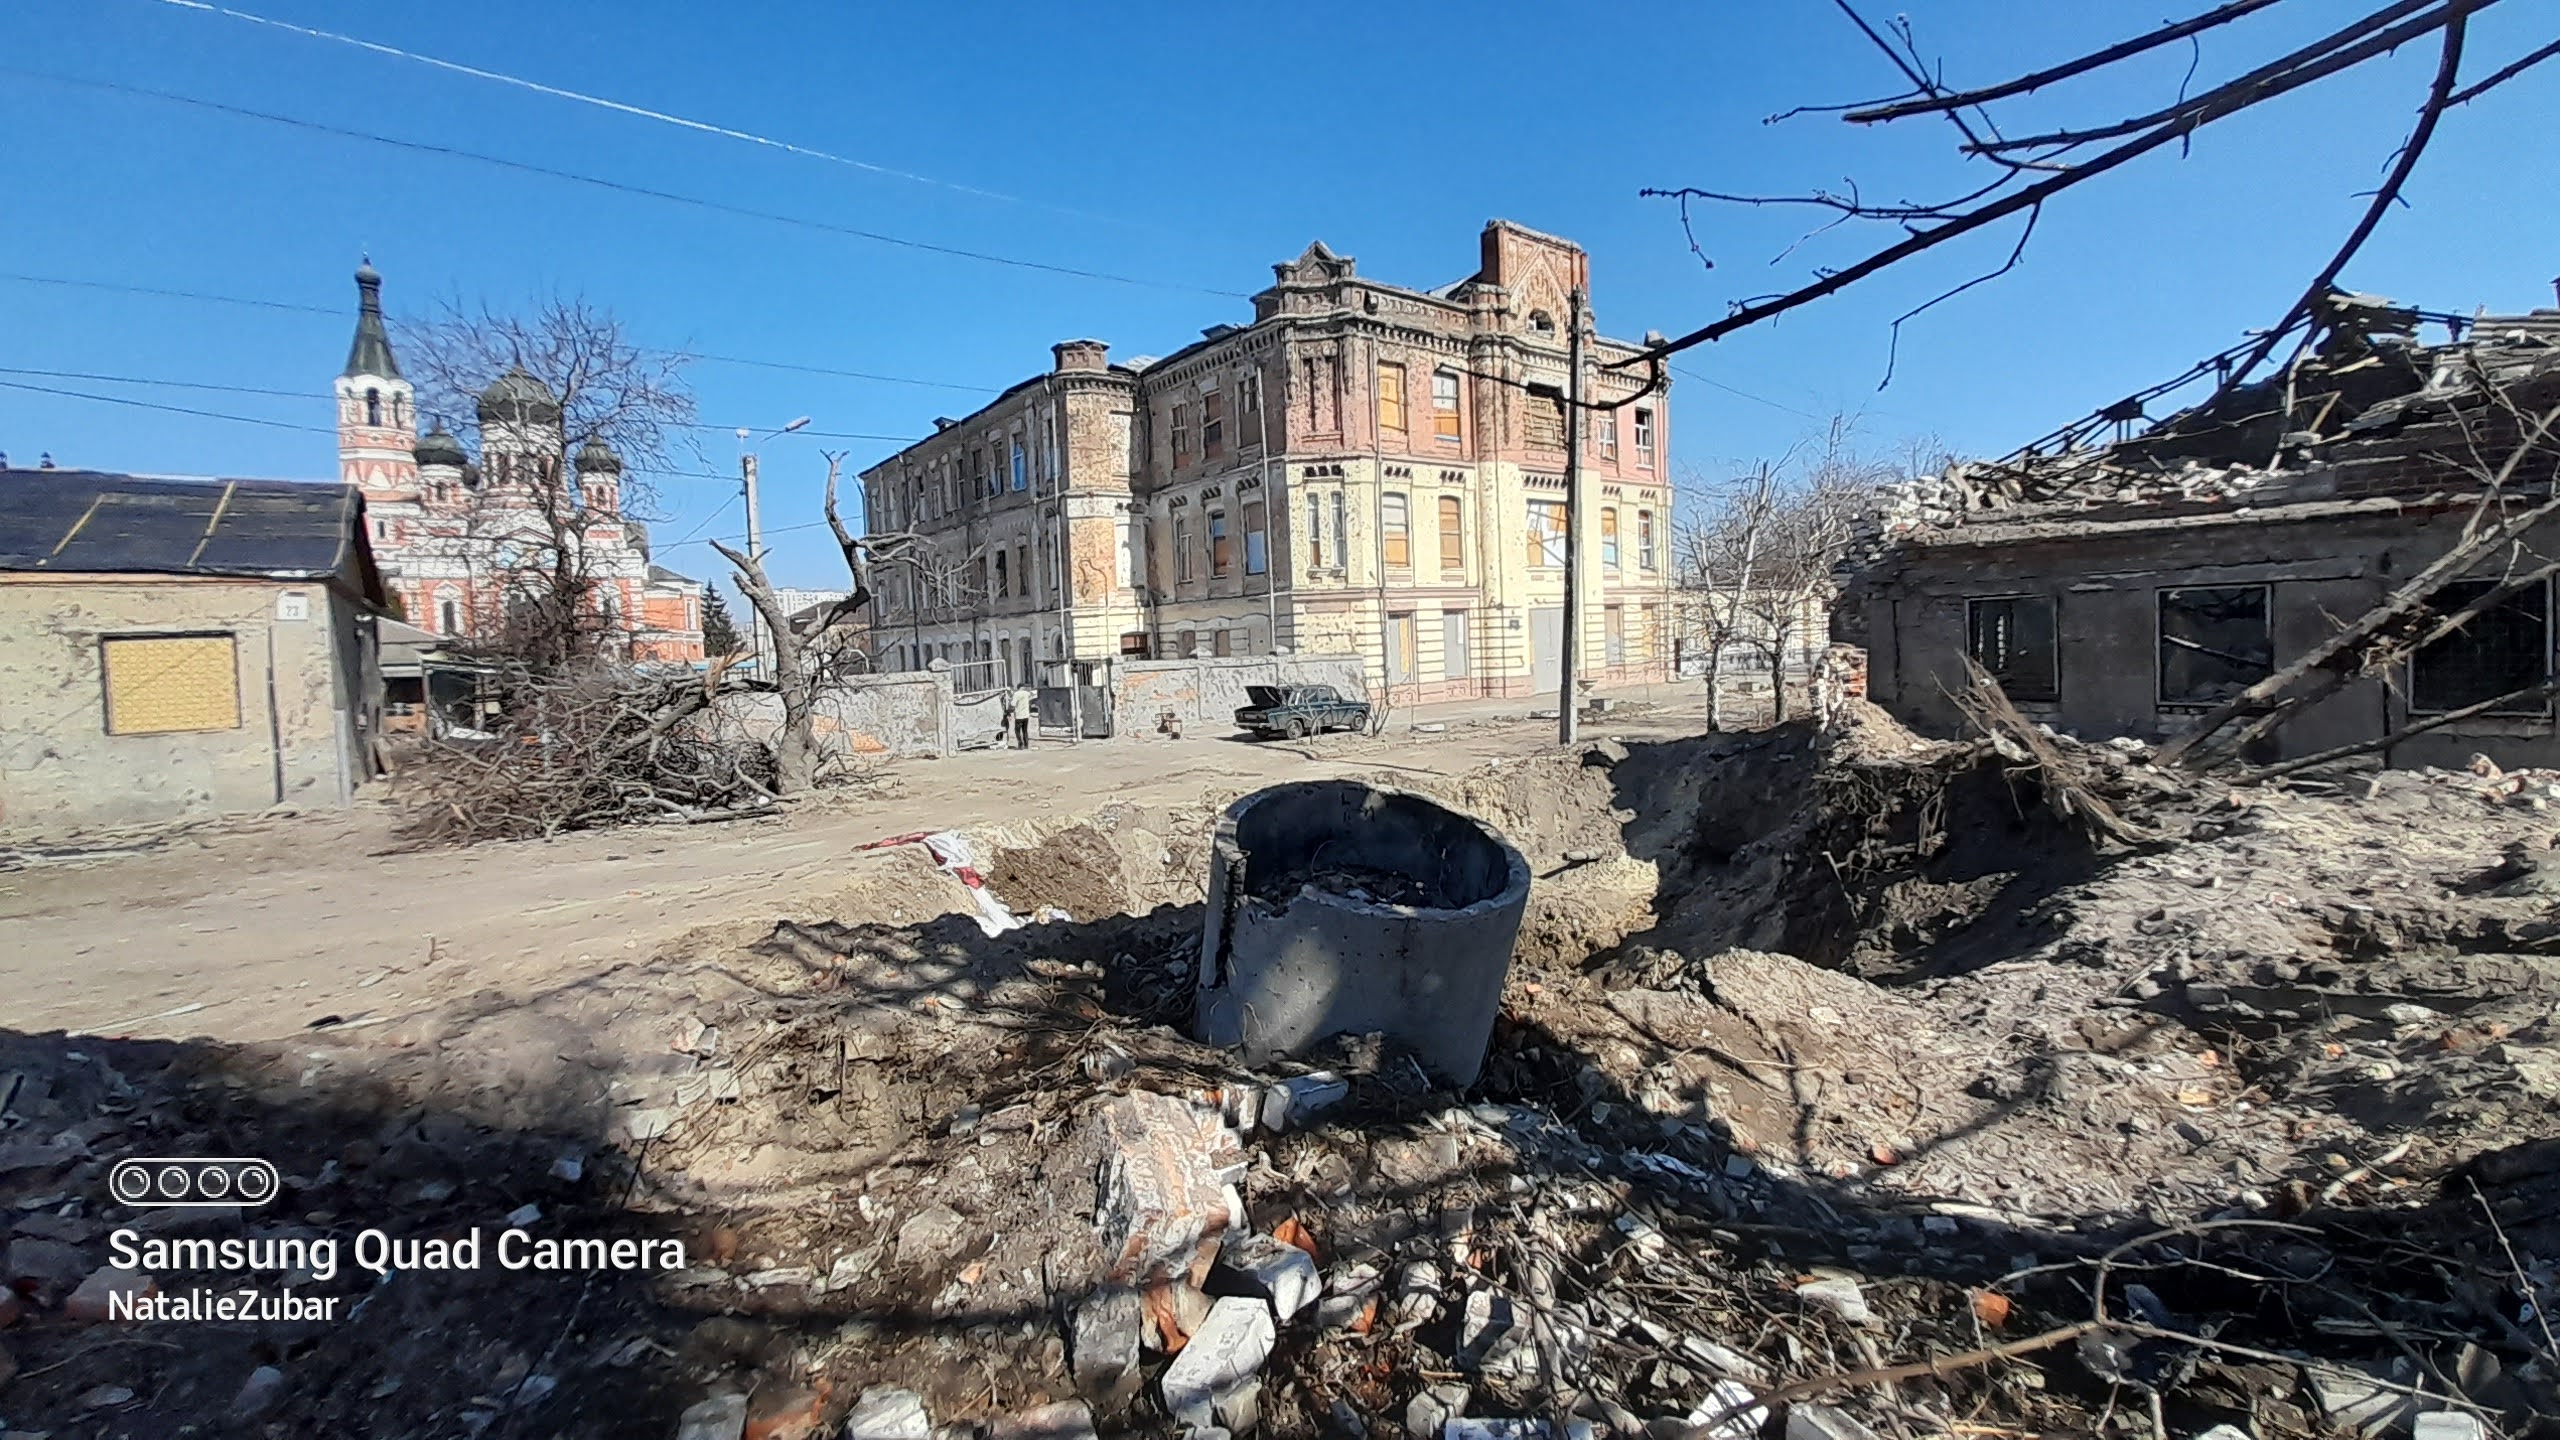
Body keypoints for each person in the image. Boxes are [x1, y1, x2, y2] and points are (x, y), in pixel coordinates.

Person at [1009, 684, 1035, 749]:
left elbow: (1013, 704)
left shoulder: (1016, 694)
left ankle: (1020, 743)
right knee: (1025, 731)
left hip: (1019, 715)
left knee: (1017, 730)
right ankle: (1026, 745)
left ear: (1018, 687)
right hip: (1026, 714)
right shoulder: (1027, 693)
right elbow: (1032, 696)